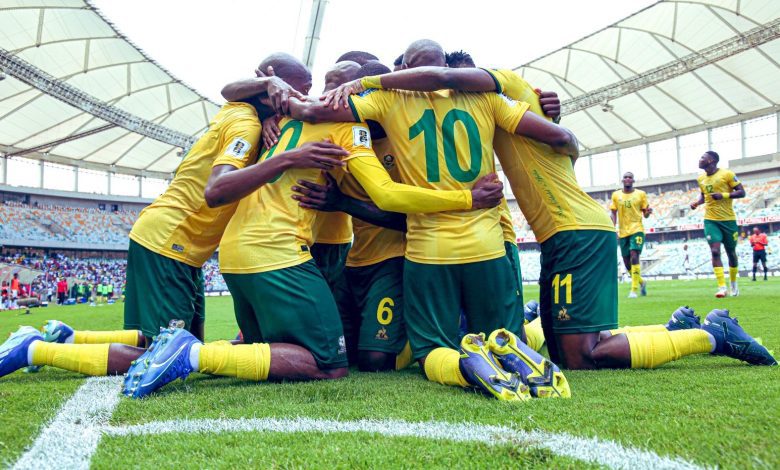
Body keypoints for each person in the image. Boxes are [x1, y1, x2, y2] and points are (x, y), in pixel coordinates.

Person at [321, 44, 777, 371]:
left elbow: (558, 137)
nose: (436, 90)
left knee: (571, 355)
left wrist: (554, 127)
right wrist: (553, 124)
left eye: (456, 81)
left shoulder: (492, 94)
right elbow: (561, 139)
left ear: (473, 77)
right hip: (550, 231)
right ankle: (675, 327)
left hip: (540, 230)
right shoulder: (476, 109)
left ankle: (710, 336)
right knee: (562, 348)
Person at [121, 53, 507, 398]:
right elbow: (388, 196)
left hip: (244, 255)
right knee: (332, 361)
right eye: (323, 86)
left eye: (334, 87)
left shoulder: (290, 118)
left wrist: (279, 109)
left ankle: (202, 350)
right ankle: (193, 352)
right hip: (281, 252)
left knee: (321, 350)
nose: (324, 94)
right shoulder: (342, 127)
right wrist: (468, 199)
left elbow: (236, 95)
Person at [289, 39, 577, 400]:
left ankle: (469, 368)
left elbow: (315, 115)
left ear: (405, 71)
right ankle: (515, 350)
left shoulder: (390, 100)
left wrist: (280, 96)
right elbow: (556, 136)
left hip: (427, 251)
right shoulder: (486, 98)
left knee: (432, 349)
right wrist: (549, 115)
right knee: (499, 334)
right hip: (487, 243)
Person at [690, 151, 745, 297]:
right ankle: (722, 287)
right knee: (715, 251)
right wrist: (697, 202)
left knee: (731, 253)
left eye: (702, 157)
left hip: (728, 220)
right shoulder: (701, 178)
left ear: (712, 160)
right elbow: (704, 196)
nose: (700, 160)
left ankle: (733, 283)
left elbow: (741, 192)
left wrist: (724, 195)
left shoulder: (727, 174)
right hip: (710, 220)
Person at [610, 172, 652, 298]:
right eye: (626, 177)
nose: (628, 179)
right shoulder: (616, 195)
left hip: (637, 229)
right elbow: (613, 213)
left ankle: (633, 290)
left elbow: (646, 214)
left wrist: (648, 212)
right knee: (627, 263)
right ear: (622, 180)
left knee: (635, 255)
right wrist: (613, 228)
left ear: (633, 180)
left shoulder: (641, 194)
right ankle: (641, 282)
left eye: (630, 177)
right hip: (623, 232)